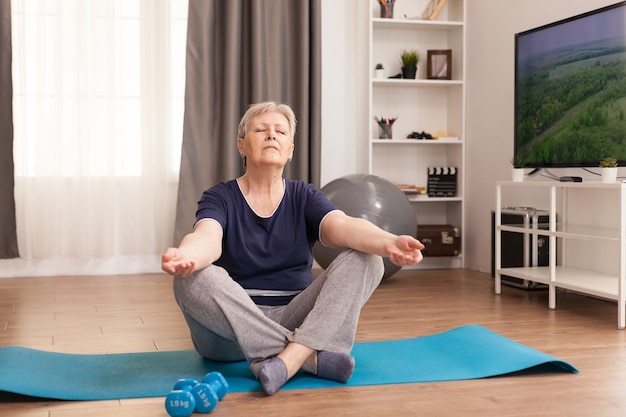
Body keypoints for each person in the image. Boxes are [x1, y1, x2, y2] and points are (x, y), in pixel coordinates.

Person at [161, 101, 424, 396]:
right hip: (229, 332)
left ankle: (287, 360)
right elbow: (206, 237)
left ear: (290, 149)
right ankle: (309, 358)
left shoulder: (304, 196)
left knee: (369, 260)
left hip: (296, 316)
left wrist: (389, 241)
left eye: (280, 132)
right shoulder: (221, 196)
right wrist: (187, 256)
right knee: (191, 278)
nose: (271, 136)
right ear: (241, 146)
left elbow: (343, 226)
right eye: (261, 130)